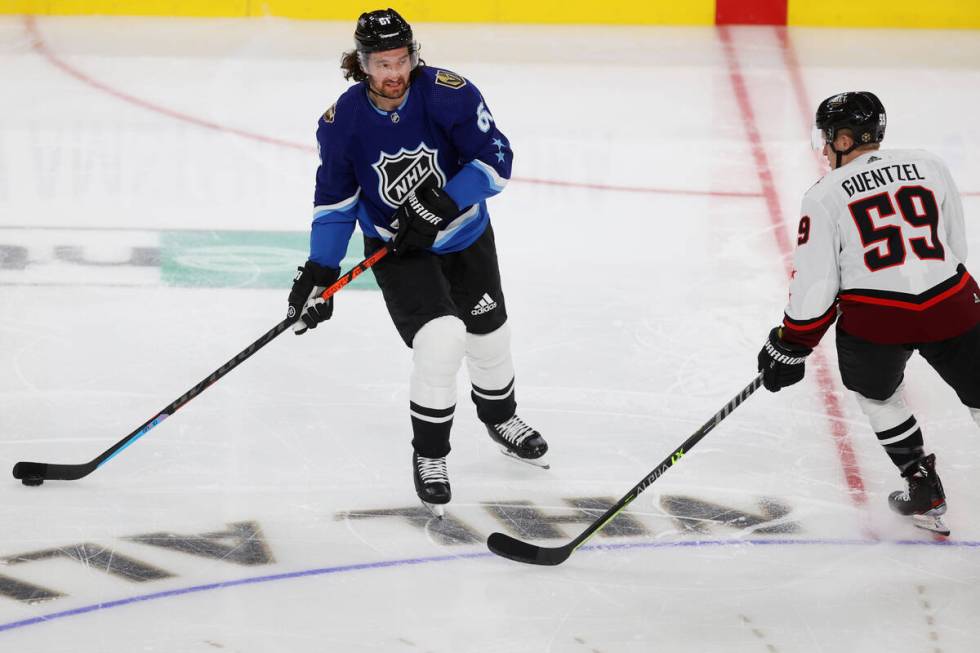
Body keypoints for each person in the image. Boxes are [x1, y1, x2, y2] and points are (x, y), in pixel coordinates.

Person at [286, 8, 548, 517]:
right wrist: (320, 270)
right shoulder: (343, 124)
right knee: (441, 339)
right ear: (361, 64)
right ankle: (430, 456)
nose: (394, 72)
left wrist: (444, 202)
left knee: (489, 334)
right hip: (399, 250)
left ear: (414, 54)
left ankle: (501, 419)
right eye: (382, 63)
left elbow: (497, 159)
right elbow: (336, 205)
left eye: (402, 58)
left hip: (466, 235)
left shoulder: (448, 93)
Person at [757, 91, 980, 536]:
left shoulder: (823, 195)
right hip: (952, 304)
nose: (823, 148)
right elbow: (954, 244)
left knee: (878, 396)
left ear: (843, 139)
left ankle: (923, 487)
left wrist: (791, 344)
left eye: (827, 138)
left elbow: (817, 285)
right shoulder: (930, 164)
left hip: (877, 320)